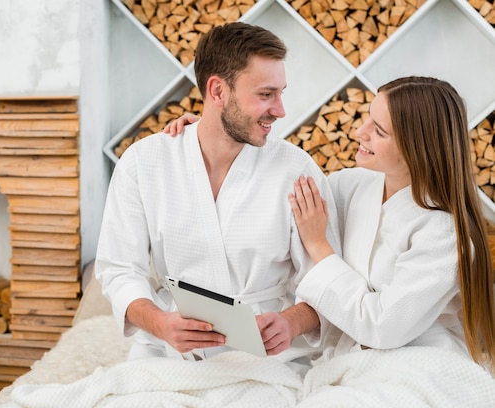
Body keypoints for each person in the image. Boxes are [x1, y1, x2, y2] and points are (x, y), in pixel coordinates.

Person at [166, 76, 495, 371]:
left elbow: (382, 327)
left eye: (378, 131)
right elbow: (280, 187)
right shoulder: (355, 186)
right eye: (368, 119)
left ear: (417, 148)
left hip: (420, 365)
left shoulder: (444, 233)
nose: (358, 132)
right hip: (349, 361)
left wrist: (320, 247)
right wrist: (214, 137)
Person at [95, 21, 341, 370]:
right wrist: (160, 324)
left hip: (268, 358)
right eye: (266, 94)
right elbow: (119, 268)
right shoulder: (143, 162)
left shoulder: (297, 171)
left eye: (281, 92)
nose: (281, 110)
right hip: (167, 351)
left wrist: (290, 323)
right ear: (217, 91)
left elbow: (325, 280)